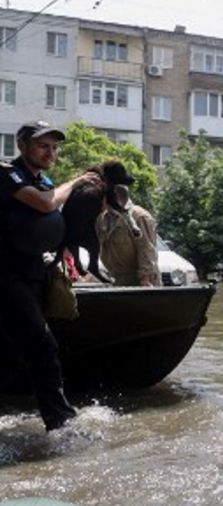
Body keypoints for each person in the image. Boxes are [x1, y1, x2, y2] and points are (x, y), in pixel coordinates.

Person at [0, 120, 99, 431]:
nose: (50, 152)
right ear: (22, 145)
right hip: (6, 276)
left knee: (15, 349)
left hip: (36, 275)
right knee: (41, 345)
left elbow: (53, 223)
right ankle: (60, 421)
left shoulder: (45, 182)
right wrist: (77, 181)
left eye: (54, 147)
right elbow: (45, 205)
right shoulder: (7, 174)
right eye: (43, 145)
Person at [95, 185, 160, 286]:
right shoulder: (102, 218)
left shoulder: (139, 216)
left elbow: (146, 249)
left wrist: (145, 279)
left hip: (140, 280)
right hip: (118, 279)